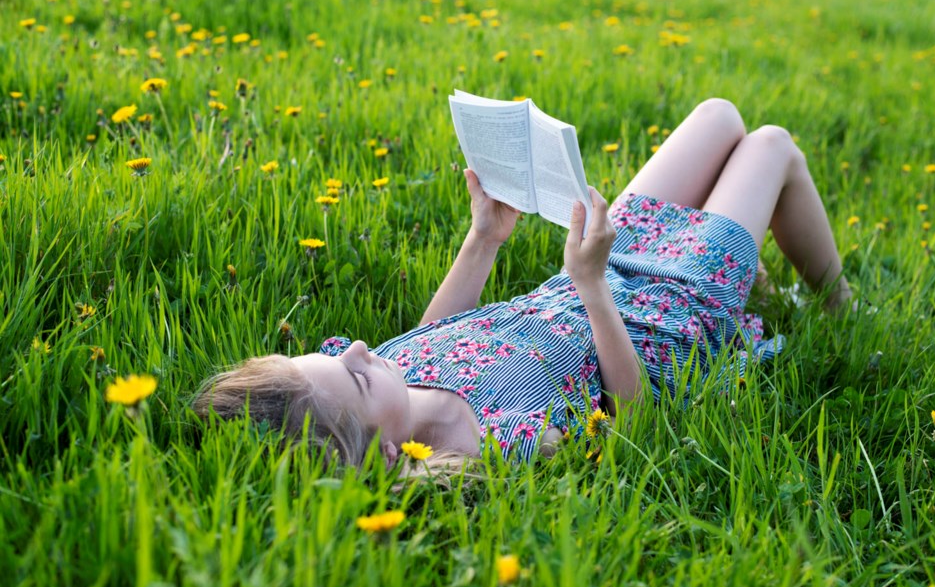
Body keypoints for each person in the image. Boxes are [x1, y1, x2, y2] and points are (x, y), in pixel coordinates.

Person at [194, 98, 852, 469]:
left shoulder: (390, 371)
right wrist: (592, 287)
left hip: (590, 275)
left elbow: (433, 335)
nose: (362, 348)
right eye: (356, 373)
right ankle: (841, 307)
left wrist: (483, 237)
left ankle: (754, 275)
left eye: (343, 352)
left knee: (718, 117)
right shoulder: (498, 443)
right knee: (770, 145)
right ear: (389, 450)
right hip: (660, 319)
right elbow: (636, 422)